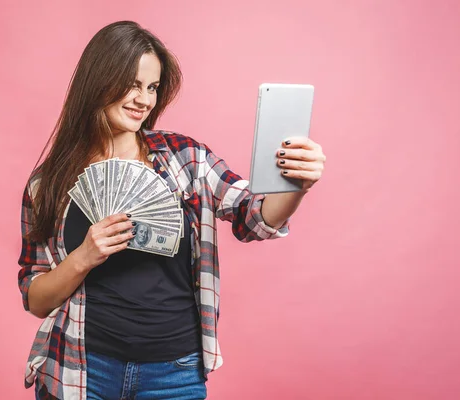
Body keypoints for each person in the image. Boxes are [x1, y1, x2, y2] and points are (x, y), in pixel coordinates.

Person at [18, 20, 326, 400]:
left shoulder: (186, 158)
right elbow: (36, 298)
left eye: (152, 87)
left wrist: (296, 184)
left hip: (173, 373)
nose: (144, 100)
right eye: (131, 83)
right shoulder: (47, 184)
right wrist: (84, 256)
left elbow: (254, 217)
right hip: (80, 367)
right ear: (98, 80)